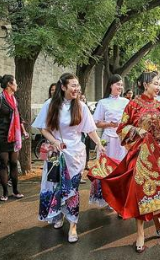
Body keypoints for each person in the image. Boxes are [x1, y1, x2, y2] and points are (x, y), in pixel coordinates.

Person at [89, 70, 160, 253]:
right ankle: (140, 233)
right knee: (140, 192)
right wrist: (136, 130)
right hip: (139, 155)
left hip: (158, 154)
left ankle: (156, 219)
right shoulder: (133, 105)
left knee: (158, 189)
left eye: (159, 84)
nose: (158, 87)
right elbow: (121, 128)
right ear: (145, 84)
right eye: (155, 83)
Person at [32, 73, 106, 243]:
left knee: (72, 190)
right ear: (63, 87)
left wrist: (99, 144)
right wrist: (54, 141)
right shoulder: (50, 105)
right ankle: (57, 215)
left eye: (77, 85)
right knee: (54, 186)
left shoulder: (81, 106)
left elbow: (90, 130)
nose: (76, 89)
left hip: (76, 155)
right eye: (73, 85)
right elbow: (43, 128)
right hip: (56, 155)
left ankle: (73, 225)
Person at [90, 74, 129, 205]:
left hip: (122, 140)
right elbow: (96, 123)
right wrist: (109, 124)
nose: (120, 87)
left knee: (121, 167)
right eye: (118, 84)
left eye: (121, 84)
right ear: (111, 85)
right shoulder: (103, 102)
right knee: (107, 168)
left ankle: (120, 198)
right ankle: (106, 197)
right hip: (108, 139)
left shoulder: (126, 102)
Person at [0, 74, 28, 202]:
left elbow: (19, 116)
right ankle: (5, 192)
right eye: (15, 83)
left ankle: (16, 191)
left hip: (14, 136)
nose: (17, 85)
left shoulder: (14, 99)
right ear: (9, 85)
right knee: (3, 164)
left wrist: (23, 130)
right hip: (1, 135)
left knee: (13, 163)